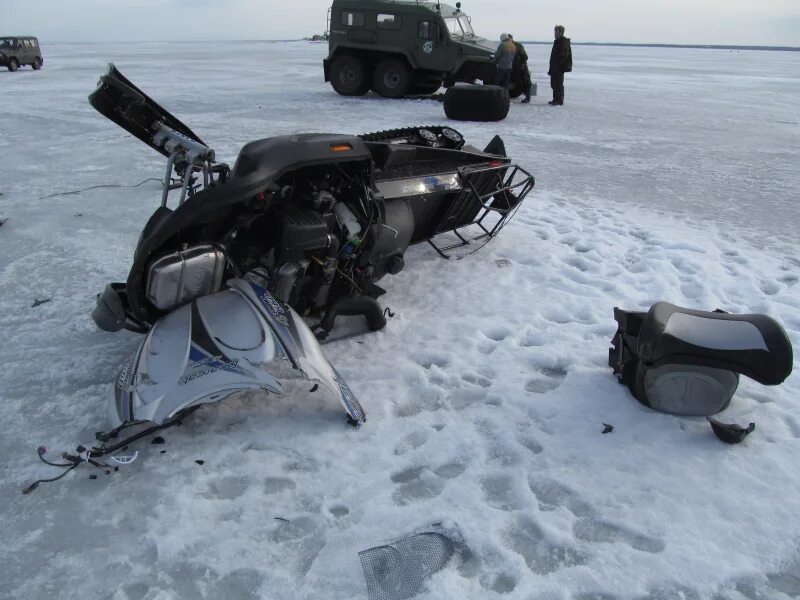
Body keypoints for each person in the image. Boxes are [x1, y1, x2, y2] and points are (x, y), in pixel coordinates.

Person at [548, 25, 572, 106]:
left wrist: (558, 65)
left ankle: (559, 100)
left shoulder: (563, 42)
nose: (555, 33)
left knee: (558, 84)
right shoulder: (558, 41)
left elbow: (564, 55)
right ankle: (555, 99)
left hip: (559, 68)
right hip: (555, 67)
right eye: (555, 32)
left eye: (556, 32)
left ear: (561, 32)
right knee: (554, 83)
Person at [508, 34, 532, 103]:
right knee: (518, 82)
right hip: (515, 67)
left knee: (526, 81)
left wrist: (521, 64)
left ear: (512, 39)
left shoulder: (518, 45)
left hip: (522, 66)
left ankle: (528, 97)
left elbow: (525, 56)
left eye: (509, 39)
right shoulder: (508, 46)